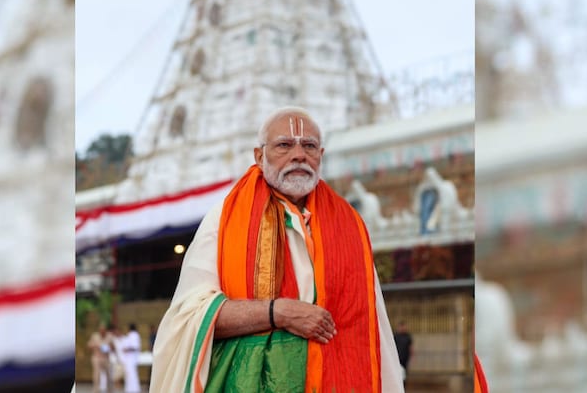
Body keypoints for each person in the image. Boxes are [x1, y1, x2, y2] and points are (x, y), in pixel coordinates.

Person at [149, 106, 404, 392]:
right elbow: (190, 318)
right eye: (284, 145)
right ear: (259, 156)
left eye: (309, 146)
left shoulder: (350, 225)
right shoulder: (226, 217)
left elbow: (373, 327)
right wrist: (277, 312)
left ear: (321, 156)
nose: (299, 155)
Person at [118, 323, 141, 392]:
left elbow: (134, 347)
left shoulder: (134, 335)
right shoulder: (133, 335)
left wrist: (126, 349)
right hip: (130, 358)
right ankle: (130, 389)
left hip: (131, 358)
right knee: (129, 374)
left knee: (132, 374)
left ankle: (134, 389)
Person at [393, 320, 413, 385]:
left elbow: (410, 347)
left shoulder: (408, 336)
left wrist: (411, 356)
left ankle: (403, 385)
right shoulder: (395, 336)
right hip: (397, 359)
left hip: (405, 359)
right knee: (397, 373)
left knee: (404, 374)